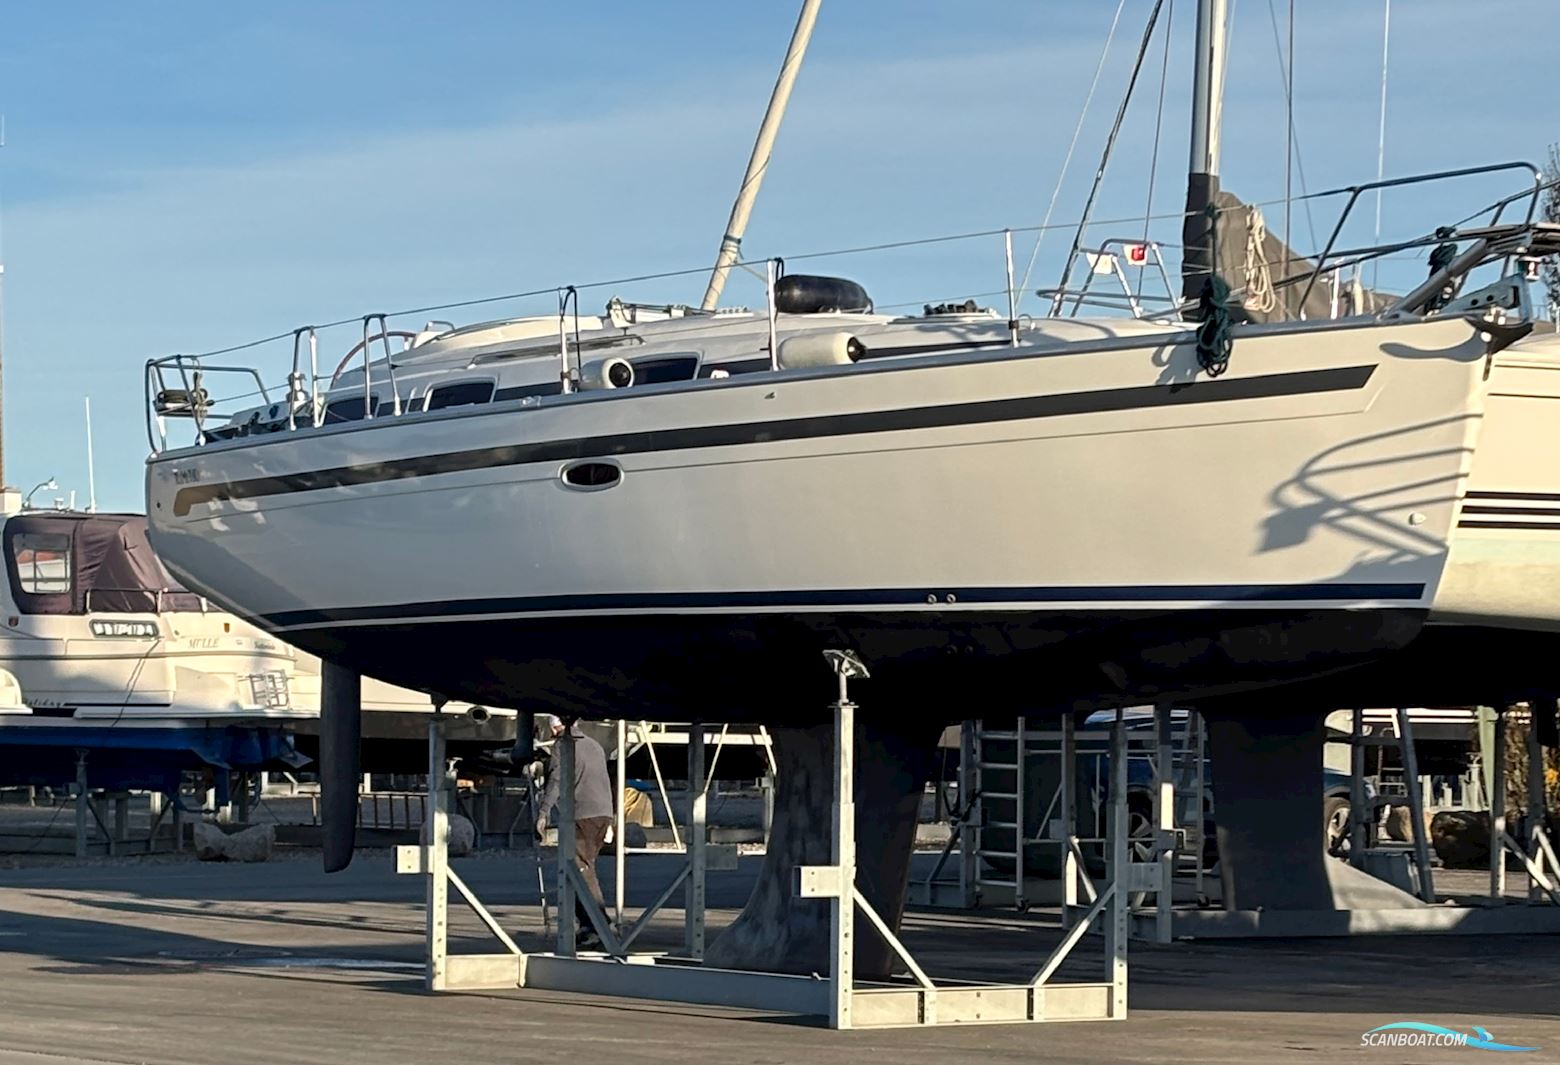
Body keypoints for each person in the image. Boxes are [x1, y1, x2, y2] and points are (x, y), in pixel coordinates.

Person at [536, 715, 614, 949]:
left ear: (554, 729)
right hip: (602, 813)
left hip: (582, 815)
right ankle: (589, 925)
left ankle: (599, 925)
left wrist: (543, 812)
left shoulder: (563, 745)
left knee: (580, 870)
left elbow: (557, 780)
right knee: (582, 868)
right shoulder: (595, 745)